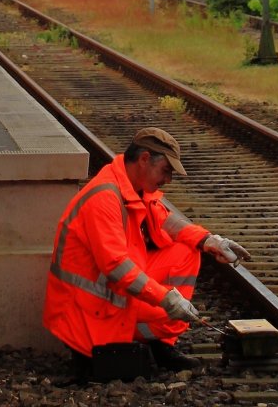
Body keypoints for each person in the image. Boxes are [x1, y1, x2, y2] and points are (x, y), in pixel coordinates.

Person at [43, 126, 251, 377]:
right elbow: (116, 267)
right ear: (144, 159)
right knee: (165, 307)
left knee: (187, 251)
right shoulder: (104, 198)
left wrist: (209, 240)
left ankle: (160, 345)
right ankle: (105, 346)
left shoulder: (132, 187)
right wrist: (165, 298)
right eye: (166, 171)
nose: (168, 180)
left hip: (108, 295)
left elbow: (167, 222)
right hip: (87, 309)